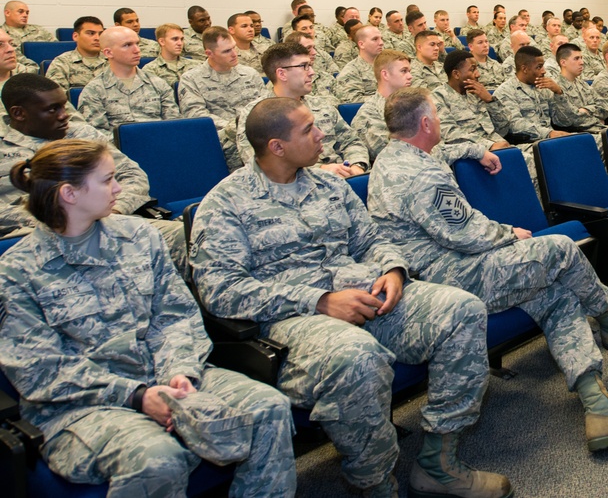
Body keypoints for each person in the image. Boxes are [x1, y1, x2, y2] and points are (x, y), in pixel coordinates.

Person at [191, 96, 512, 498]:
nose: (322, 134)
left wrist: (393, 268)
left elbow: (371, 240)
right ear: (276, 146)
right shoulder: (225, 203)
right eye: (308, 130)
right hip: (292, 320)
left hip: (366, 294)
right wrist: (320, 300)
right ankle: (376, 485)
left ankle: (438, 461)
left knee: (461, 310)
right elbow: (222, 290)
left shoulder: (328, 184)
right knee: (357, 357)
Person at [368, 87, 608, 452]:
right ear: (425, 122)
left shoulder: (400, 155)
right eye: (436, 114)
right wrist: (509, 234)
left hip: (450, 265)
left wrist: (476, 150)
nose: (440, 120)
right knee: (560, 248)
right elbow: (467, 233)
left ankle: (600, 407)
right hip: (444, 278)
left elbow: (444, 151)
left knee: (557, 293)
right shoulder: (418, 176)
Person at [0, 138, 296, 496]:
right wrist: (137, 395)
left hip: (166, 372)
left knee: (269, 407)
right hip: (79, 408)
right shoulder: (18, 271)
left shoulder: (140, 236)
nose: (120, 188)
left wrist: (179, 371)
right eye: (108, 180)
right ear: (69, 193)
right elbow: (41, 371)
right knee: (157, 457)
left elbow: (176, 316)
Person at [0, 74, 188, 270]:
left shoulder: (83, 134)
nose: (64, 115)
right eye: (52, 109)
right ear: (19, 113)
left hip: (110, 222)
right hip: (37, 237)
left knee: (187, 238)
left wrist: (111, 210)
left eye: (64, 106)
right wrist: (63, 219)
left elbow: (133, 175)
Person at [235, 42, 368, 175]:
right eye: (304, 66)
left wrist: (356, 166)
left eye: (310, 65)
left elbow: (351, 141)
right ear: (282, 74)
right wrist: (321, 170)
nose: (312, 72)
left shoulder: (322, 105)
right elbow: (259, 163)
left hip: (343, 177)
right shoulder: (256, 114)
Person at [177, 26, 265, 170]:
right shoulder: (191, 79)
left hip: (254, 134)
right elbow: (195, 114)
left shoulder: (250, 74)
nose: (234, 54)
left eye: (234, 47)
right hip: (220, 140)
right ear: (209, 53)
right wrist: (235, 126)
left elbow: (264, 106)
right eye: (226, 51)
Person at [77, 26, 180, 137]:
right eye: (127, 45)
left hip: (158, 145)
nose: (137, 50)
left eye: (137, 44)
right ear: (108, 53)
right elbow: (95, 134)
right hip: (117, 150)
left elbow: (173, 125)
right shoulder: (94, 90)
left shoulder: (158, 84)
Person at [491, 46, 572, 143]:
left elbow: (565, 121)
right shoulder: (505, 91)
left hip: (552, 139)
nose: (544, 71)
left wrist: (558, 93)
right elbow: (515, 124)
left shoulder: (543, 86)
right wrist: (548, 133)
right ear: (524, 69)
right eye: (539, 67)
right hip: (529, 143)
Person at [46, 16, 107, 90]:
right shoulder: (62, 62)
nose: (97, 38)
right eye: (91, 33)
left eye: (100, 34)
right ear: (76, 36)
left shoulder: (113, 60)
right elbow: (56, 96)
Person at [1, 0, 50, 71]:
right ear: (7, 13)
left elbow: (56, 49)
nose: (25, 15)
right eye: (20, 11)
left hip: (50, 70)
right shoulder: (2, 34)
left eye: (27, 13)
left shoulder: (39, 30)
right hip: (21, 72)